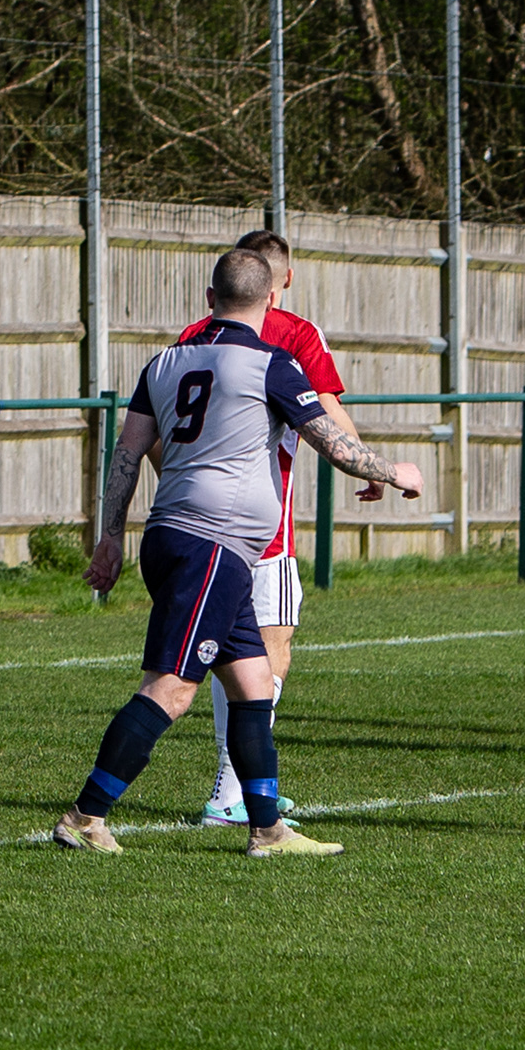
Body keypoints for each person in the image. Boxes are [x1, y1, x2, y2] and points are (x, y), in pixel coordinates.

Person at [53, 246, 423, 859]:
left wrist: (112, 534)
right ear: (271, 299)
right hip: (212, 545)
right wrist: (394, 469)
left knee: (253, 685)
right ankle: (85, 815)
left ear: (209, 300)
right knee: (171, 688)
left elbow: (126, 454)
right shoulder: (273, 364)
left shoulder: (165, 361)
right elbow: (332, 444)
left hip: (177, 534)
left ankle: (267, 827)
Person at [170, 229, 385, 827]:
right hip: (263, 529)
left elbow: (156, 434)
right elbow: (325, 411)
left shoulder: (191, 337)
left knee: (221, 652)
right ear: (280, 282)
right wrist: (366, 463)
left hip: (190, 523)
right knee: (270, 650)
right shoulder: (294, 335)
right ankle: (230, 788)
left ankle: (239, 783)